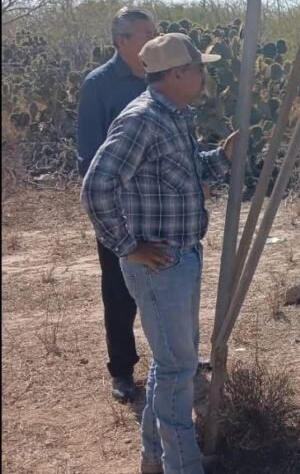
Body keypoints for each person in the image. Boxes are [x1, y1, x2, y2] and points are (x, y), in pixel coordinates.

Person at [82, 32, 238, 474]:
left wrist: (222, 157)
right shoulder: (142, 120)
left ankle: (153, 458)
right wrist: (127, 246)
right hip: (159, 266)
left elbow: (185, 173)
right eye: (199, 68)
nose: (205, 75)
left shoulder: (176, 116)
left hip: (182, 256)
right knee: (177, 371)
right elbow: (96, 187)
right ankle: (182, 466)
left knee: (173, 362)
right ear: (177, 74)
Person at [76, 6, 157, 403]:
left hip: (161, 208)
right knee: (120, 293)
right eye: (145, 33)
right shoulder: (99, 85)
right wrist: (109, 212)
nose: (153, 39)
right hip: (120, 211)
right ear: (121, 40)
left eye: (155, 32)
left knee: (168, 285)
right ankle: (123, 370)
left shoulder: (161, 78)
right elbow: (90, 157)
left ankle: (176, 359)